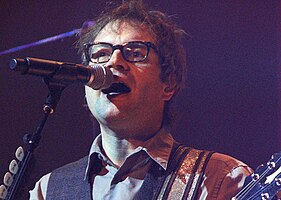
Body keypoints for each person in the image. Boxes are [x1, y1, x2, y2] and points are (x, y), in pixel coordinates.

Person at [29, 0, 252, 199]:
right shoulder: (48, 190)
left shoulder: (222, 180)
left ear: (169, 84)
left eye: (135, 53)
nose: (114, 62)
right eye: (101, 54)